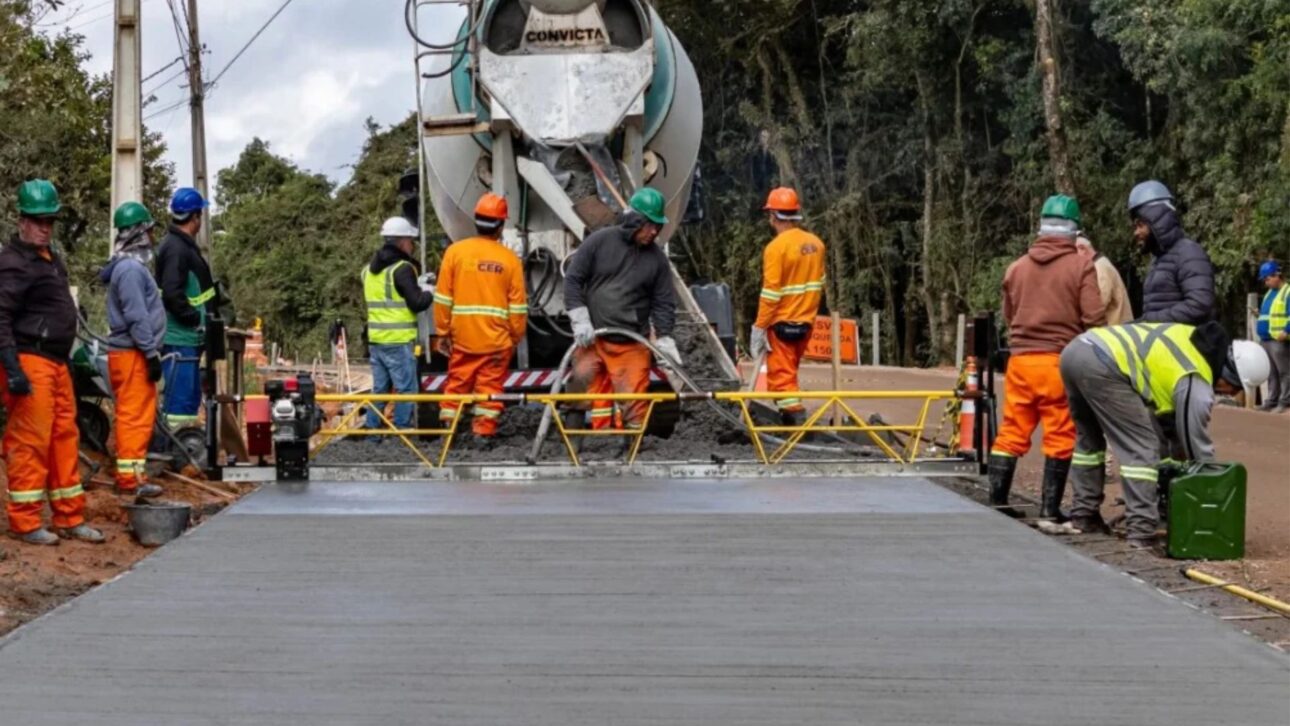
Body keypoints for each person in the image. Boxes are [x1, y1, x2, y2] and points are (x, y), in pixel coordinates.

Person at [1059, 321, 1268, 548]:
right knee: (1141, 448)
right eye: (1235, 388)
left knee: (1089, 442)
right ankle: (1141, 531)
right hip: (1103, 364)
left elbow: (1167, 421)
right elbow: (1194, 439)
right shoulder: (1195, 377)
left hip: (1076, 351)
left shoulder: (1192, 340)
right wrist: (1210, 481)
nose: (1230, 394)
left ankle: (1084, 515)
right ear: (1229, 375)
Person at [990, 195, 1107, 526]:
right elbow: (1094, 318)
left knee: (1012, 429)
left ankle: (997, 501)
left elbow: (1009, 315)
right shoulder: (1081, 266)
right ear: (1075, 230)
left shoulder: (1016, 268)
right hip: (1059, 361)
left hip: (1020, 362)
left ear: (1040, 228)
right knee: (1059, 432)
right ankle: (1049, 511)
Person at [0, 180, 103, 545]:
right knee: (30, 441)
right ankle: (25, 522)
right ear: (22, 221)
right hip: (31, 360)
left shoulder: (49, 259)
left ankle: (69, 517)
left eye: (50, 221)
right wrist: (12, 368)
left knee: (64, 439)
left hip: (56, 363)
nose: (45, 227)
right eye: (38, 220)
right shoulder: (13, 263)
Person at [564, 187, 679, 431]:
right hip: (593, 339)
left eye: (657, 226)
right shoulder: (599, 242)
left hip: (632, 344)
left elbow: (663, 302)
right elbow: (573, 279)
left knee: (634, 404)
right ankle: (574, 439)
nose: (654, 231)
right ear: (634, 220)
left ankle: (631, 446)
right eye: (649, 225)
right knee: (578, 389)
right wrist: (580, 319)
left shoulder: (657, 260)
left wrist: (665, 337)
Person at [433, 194, 527, 437]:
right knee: (489, 388)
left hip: (463, 338)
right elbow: (518, 308)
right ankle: (482, 434)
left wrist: (442, 332)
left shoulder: (455, 252)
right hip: (496, 341)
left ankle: (449, 429)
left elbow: (442, 298)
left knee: (457, 383)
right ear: (501, 225)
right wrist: (514, 338)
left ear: (475, 221)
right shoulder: (510, 260)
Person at [101, 202, 166, 498]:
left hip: (131, 353)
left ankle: (133, 476)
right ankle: (130, 480)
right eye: (149, 231)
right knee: (133, 416)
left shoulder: (128, 267)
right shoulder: (129, 270)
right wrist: (150, 353)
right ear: (139, 232)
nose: (152, 237)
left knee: (136, 415)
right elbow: (137, 315)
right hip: (133, 354)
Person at [748, 187, 826, 426]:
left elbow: (770, 294)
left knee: (782, 383)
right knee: (789, 374)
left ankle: (795, 425)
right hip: (806, 324)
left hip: (782, 326)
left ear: (773, 216)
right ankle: (792, 422)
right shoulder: (816, 244)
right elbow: (819, 283)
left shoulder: (776, 248)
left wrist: (759, 327)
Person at [154, 187, 217, 428]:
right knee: (180, 401)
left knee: (188, 398)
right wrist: (195, 319)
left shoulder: (180, 246)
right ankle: (177, 442)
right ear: (195, 217)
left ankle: (186, 441)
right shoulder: (176, 248)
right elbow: (173, 293)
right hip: (180, 338)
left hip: (187, 339)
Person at [363, 216, 432, 429]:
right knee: (406, 391)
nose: (412, 246)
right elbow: (417, 303)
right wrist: (429, 291)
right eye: (410, 241)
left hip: (376, 341)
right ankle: (402, 433)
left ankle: (372, 433)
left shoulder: (368, 270)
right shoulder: (402, 268)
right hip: (399, 342)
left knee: (380, 391)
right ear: (402, 242)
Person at [1128, 180, 1215, 324]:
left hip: (1185, 339)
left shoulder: (1189, 253)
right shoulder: (1158, 260)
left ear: (1157, 221)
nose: (1136, 232)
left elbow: (1199, 305)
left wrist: (1149, 321)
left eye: (1140, 225)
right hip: (1163, 338)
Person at [1075, 234, 1133, 324]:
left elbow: (1099, 303)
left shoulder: (1100, 267)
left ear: (1082, 249)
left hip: (1115, 328)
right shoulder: (1101, 264)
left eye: (1074, 253)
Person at [1256, 261, 1290, 412]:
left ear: (1277, 276)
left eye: (1267, 278)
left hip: (1278, 339)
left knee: (1284, 372)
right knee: (1271, 373)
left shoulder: (1287, 292)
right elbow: (1271, 314)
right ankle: (1271, 401)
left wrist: (1286, 331)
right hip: (1266, 339)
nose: (1266, 282)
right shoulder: (1270, 293)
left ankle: (1284, 402)